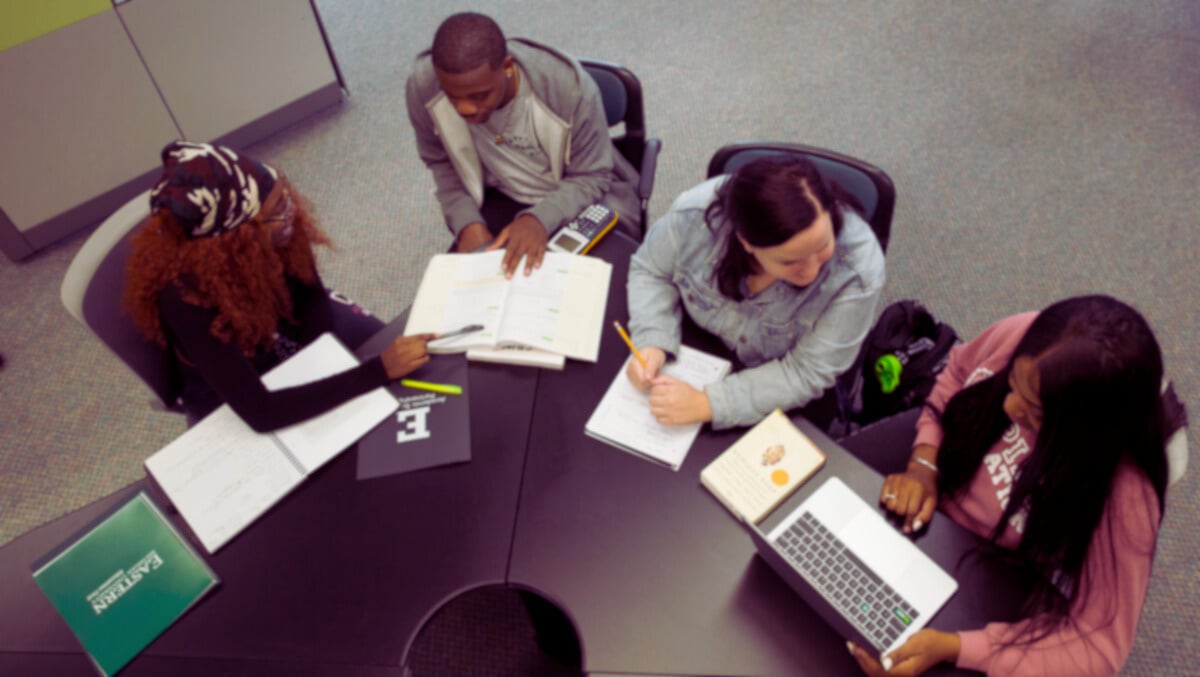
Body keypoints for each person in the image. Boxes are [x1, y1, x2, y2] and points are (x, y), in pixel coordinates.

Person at [845, 295, 1187, 676]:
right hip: (938, 481)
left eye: (1035, 410)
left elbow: (1098, 645)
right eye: (1012, 383)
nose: (1009, 407)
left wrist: (957, 648)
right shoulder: (1028, 338)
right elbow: (958, 372)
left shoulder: (1126, 495)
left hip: (993, 563)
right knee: (818, 507)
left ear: (1085, 430)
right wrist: (923, 462)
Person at [124, 141, 435, 432]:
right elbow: (261, 412)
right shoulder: (184, 296)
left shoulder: (276, 230)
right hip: (231, 369)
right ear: (236, 236)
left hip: (280, 328)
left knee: (397, 374)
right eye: (275, 212)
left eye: (285, 197)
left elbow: (313, 303)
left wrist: (320, 362)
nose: (291, 213)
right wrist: (376, 372)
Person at [624, 154, 886, 430]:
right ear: (746, 242)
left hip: (781, 386)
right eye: (789, 261)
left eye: (822, 247)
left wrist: (709, 404)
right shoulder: (694, 216)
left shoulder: (859, 272)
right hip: (696, 346)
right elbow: (651, 270)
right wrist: (652, 338)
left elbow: (805, 372)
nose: (810, 272)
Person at [405, 11, 641, 277]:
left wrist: (538, 219)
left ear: (508, 66)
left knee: (586, 294)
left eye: (479, 95)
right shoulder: (423, 87)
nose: (465, 109)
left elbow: (592, 175)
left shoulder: (569, 89)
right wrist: (466, 223)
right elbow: (440, 162)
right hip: (500, 195)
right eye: (452, 96)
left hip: (579, 197)